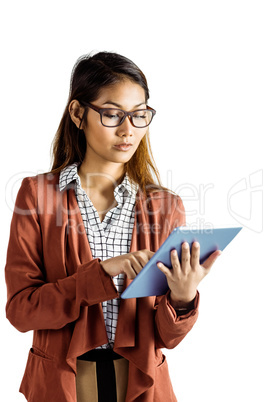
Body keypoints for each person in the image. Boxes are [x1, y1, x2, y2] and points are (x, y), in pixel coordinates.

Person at [5, 51, 221, 402]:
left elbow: (166, 337)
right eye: (111, 114)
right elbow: (21, 310)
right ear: (78, 113)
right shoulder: (38, 196)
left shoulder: (165, 207)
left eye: (139, 116)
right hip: (63, 381)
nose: (127, 130)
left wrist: (181, 299)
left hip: (140, 381)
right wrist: (101, 274)